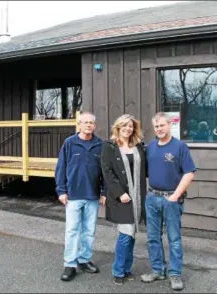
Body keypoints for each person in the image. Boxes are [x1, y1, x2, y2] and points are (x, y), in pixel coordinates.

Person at [141, 112, 196, 291]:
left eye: (162, 125)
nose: (159, 129)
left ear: (170, 125)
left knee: (174, 239)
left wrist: (176, 195)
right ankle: (157, 270)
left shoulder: (180, 147)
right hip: (152, 197)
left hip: (171, 199)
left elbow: (189, 173)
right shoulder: (150, 147)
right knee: (152, 238)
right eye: (156, 126)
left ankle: (175, 274)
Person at [54, 111, 106, 282]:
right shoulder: (69, 143)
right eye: (85, 122)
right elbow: (61, 168)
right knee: (72, 230)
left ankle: (84, 260)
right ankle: (70, 264)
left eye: (91, 122)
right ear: (79, 124)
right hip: (73, 195)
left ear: (95, 125)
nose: (88, 125)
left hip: (92, 195)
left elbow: (106, 172)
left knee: (89, 231)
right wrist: (61, 191)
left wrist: (104, 192)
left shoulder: (100, 145)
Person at [100, 114, 147, 286]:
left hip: (138, 197)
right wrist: (120, 193)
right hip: (121, 198)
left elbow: (146, 169)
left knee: (132, 235)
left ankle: (127, 269)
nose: (128, 129)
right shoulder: (109, 147)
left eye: (131, 126)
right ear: (118, 127)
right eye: (124, 126)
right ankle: (118, 271)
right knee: (126, 234)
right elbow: (107, 172)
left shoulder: (139, 147)